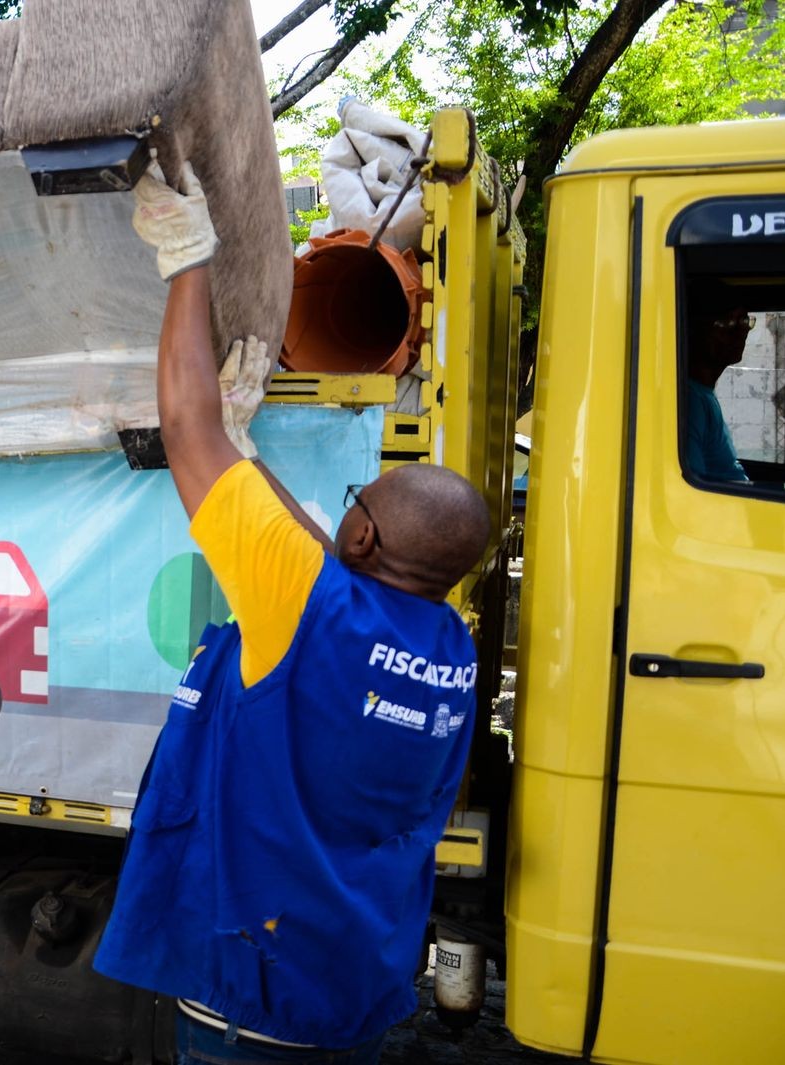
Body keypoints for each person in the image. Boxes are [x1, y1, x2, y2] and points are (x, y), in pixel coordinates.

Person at [93, 162, 493, 1063]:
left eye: (356, 500)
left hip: (255, 1002)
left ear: (361, 538)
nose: (341, 513)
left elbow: (183, 428)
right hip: (351, 988)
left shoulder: (306, 605)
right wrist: (244, 452)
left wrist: (186, 259)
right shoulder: (448, 649)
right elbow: (316, 556)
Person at [684, 307, 754, 483]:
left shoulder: (703, 393)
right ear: (693, 330)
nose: (742, 330)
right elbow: (692, 488)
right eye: (728, 323)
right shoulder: (689, 402)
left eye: (744, 321)